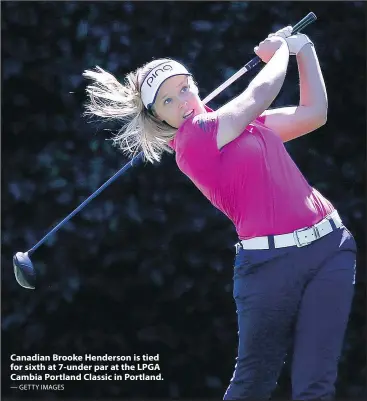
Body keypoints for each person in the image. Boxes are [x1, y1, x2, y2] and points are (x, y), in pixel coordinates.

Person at [83, 26, 357, 401]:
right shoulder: (192, 141)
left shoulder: (246, 126)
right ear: (159, 118)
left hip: (330, 246)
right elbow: (259, 94)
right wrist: (279, 52)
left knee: (316, 383)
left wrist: (304, 48)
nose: (183, 100)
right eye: (167, 101)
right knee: (253, 385)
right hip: (268, 265)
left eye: (184, 87)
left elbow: (314, 113)